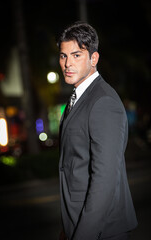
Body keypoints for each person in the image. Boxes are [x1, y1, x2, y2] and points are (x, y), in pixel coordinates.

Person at [57, 22, 138, 240]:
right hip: (79, 224)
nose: (67, 64)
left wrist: (82, 235)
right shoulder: (79, 98)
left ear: (94, 58)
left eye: (76, 55)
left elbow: (105, 179)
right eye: (63, 56)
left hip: (102, 230)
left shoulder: (102, 101)